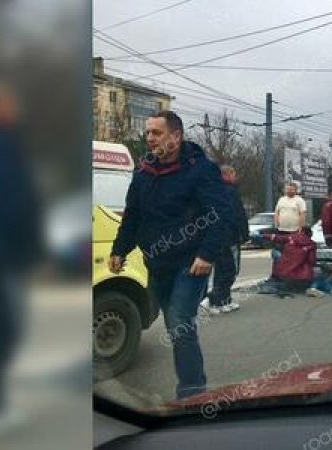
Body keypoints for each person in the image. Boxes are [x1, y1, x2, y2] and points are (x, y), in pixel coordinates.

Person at [110, 110, 233, 399]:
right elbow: (133, 216)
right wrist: (119, 249)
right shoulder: (142, 174)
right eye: (148, 133)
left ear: (175, 137)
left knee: (179, 321)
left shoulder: (201, 170)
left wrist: (206, 254)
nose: (149, 138)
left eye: (157, 132)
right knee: (173, 323)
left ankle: (192, 394)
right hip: (157, 262)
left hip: (190, 264)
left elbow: (220, 214)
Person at [0, 78, 42, 423]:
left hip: (0, 257)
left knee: (3, 328)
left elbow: (20, 202)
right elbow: (13, 203)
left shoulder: (2, 144)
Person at [203, 165, 249, 314]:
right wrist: (244, 234)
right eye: (234, 173)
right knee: (230, 270)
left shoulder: (212, 190)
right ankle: (213, 299)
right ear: (228, 174)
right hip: (229, 237)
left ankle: (223, 300)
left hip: (216, 237)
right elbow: (237, 215)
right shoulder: (230, 191)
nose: (235, 176)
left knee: (221, 270)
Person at [257, 226, 317, 292]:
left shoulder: (290, 237)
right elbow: (312, 261)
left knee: (275, 252)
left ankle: (274, 279)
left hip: (285, 275)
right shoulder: (312, 245)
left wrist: (262, 235)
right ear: (310, 234)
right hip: (303, 279)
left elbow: (275, 237)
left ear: (300, 231)